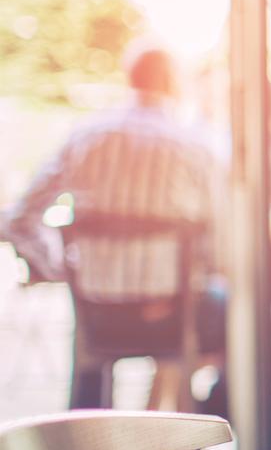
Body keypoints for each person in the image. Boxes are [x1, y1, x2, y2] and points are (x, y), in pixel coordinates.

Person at [2, 40, 226, 412]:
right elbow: (220, 238)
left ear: (130, 77)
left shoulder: (86, 136)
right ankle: (194, 429)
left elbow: (18, 218)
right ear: (172, 81)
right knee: (236, 308)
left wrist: (59, 268)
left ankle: (118, 426)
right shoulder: (194, 146)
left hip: (98, 313)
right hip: (169, 312)